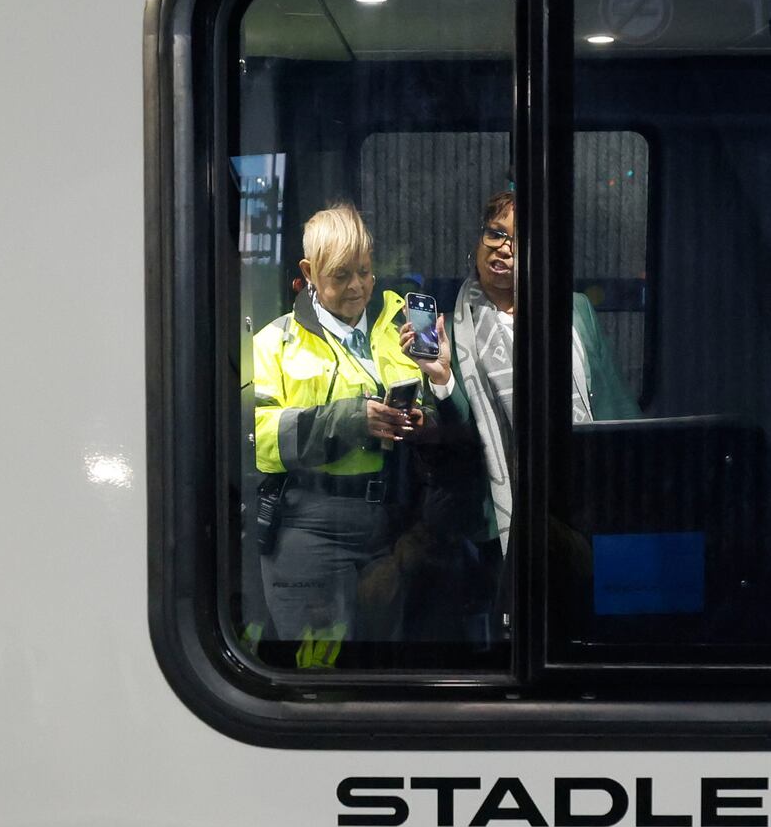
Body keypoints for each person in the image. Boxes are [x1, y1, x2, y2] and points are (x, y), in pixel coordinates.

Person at [243, 203, 424, 667]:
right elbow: (260, 438)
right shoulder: (273, 343)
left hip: (389, 526)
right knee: (318, 672)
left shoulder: (399, 328)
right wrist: (350, 420)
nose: (358, 287)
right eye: (340, 276)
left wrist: (426, 410)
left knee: (385, 670)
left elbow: (438, 412)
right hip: (309, 526)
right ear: (309, 271)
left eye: (364, 271)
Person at [418, 190, 636, 561]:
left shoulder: (573, 311)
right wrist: (441, 378)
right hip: (490, 512)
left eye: (520, 240)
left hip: (574, 497)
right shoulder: (449, 328)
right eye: (496, 233)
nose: (504, 248)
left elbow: (613, 405)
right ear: (479, 239)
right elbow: (461, 438)